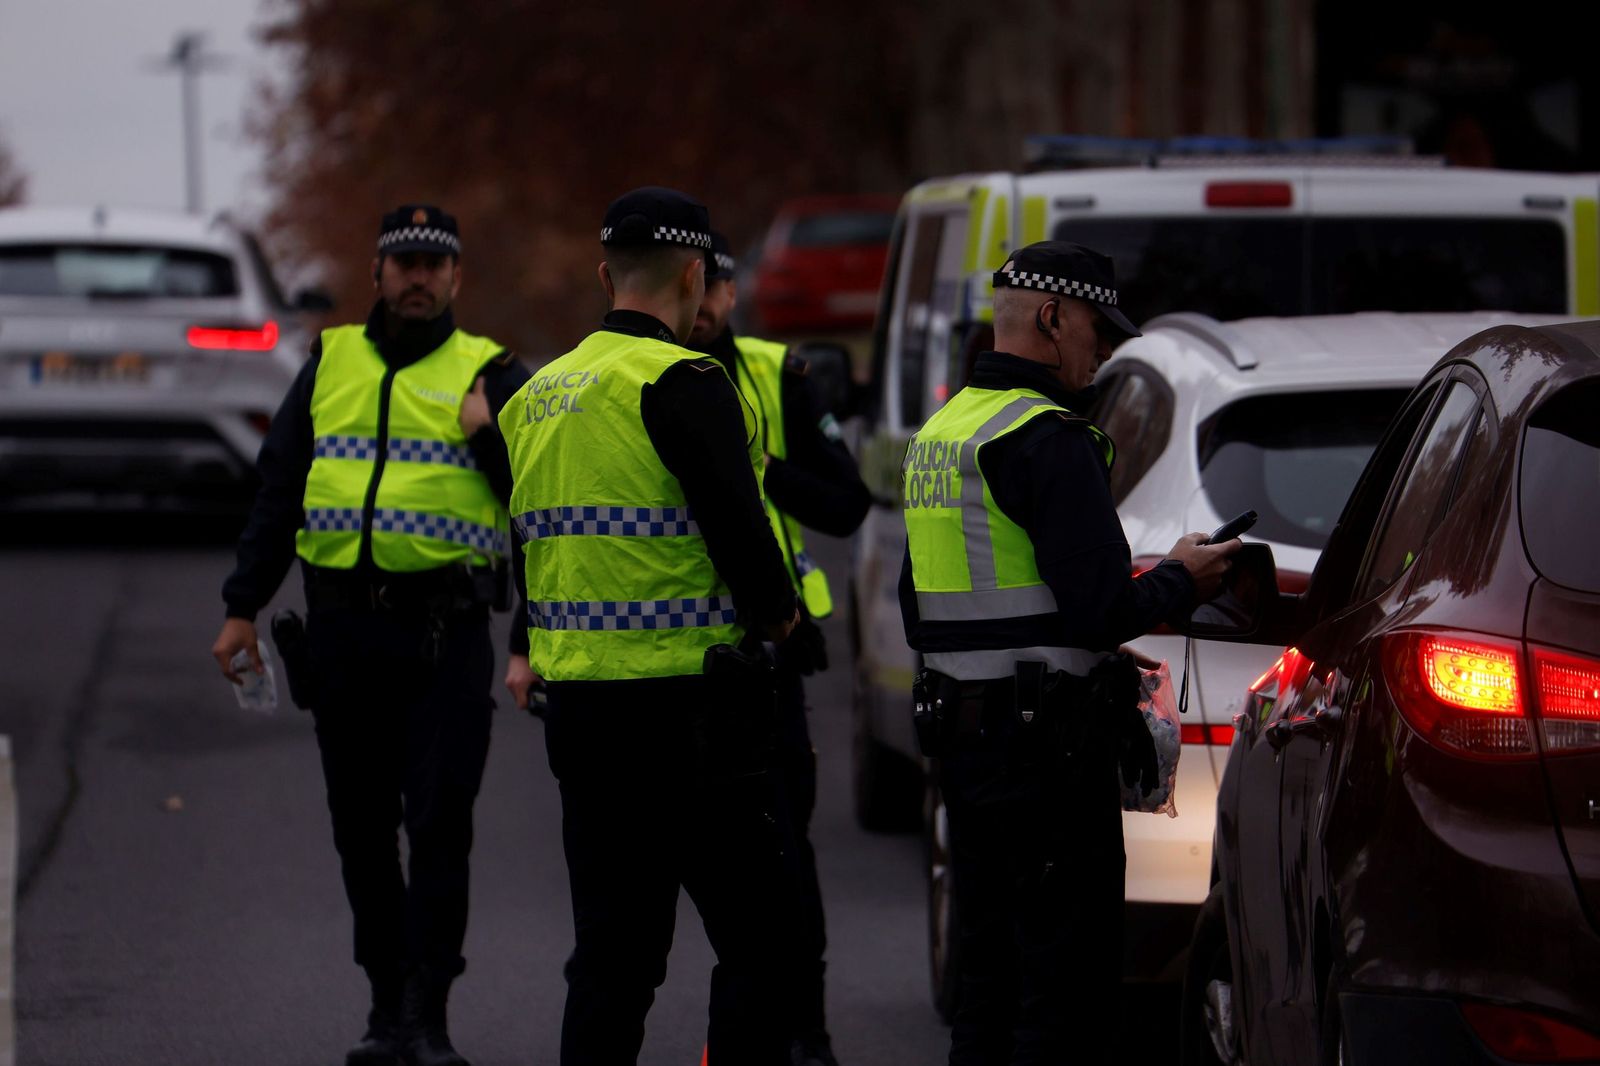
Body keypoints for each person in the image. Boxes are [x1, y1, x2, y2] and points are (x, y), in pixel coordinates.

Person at [897, 241, 1239, 1065]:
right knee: (1067, 994)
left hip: (967, 747)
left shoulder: (942, 434)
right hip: (1046, 760)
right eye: (1098, 328)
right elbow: (1101, 609)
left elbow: (923, 604)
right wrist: (1186, 578)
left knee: (987, 983)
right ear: (1053, 318)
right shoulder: (1049, 436)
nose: (1105, 350)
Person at [211, 204, 528, 1066]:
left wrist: (490, 435)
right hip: (344, 635)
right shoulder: (331, 361)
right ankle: (385, 1006)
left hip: (445, 639)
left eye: (434, 263)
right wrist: (243, 605)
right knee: (359, 830)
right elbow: (279, 489)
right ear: (379, 271)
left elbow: (538, 502)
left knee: (438, 827)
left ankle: (430, 1014)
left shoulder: (490, 371)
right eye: (404, 262)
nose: (418, 277)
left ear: (456, 277)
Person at [498, 187, 801, 1066]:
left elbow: (540, 555)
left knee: (614, 959)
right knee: (761, 941)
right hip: (691, 716)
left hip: (584, 717)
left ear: (604, 274)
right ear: (696, 276)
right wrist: (780, 618)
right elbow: (745, 541)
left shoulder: (537, 395)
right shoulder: (687, 382)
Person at [687, 231, 869, 1066]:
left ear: (729, 292)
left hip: (768, 657)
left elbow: (847, 504)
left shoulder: (774, 374)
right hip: (663, 661)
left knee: (785, 853)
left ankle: (807, 1030)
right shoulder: (623, 376)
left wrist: (763, 469)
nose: (699, 302)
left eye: (711, 286)